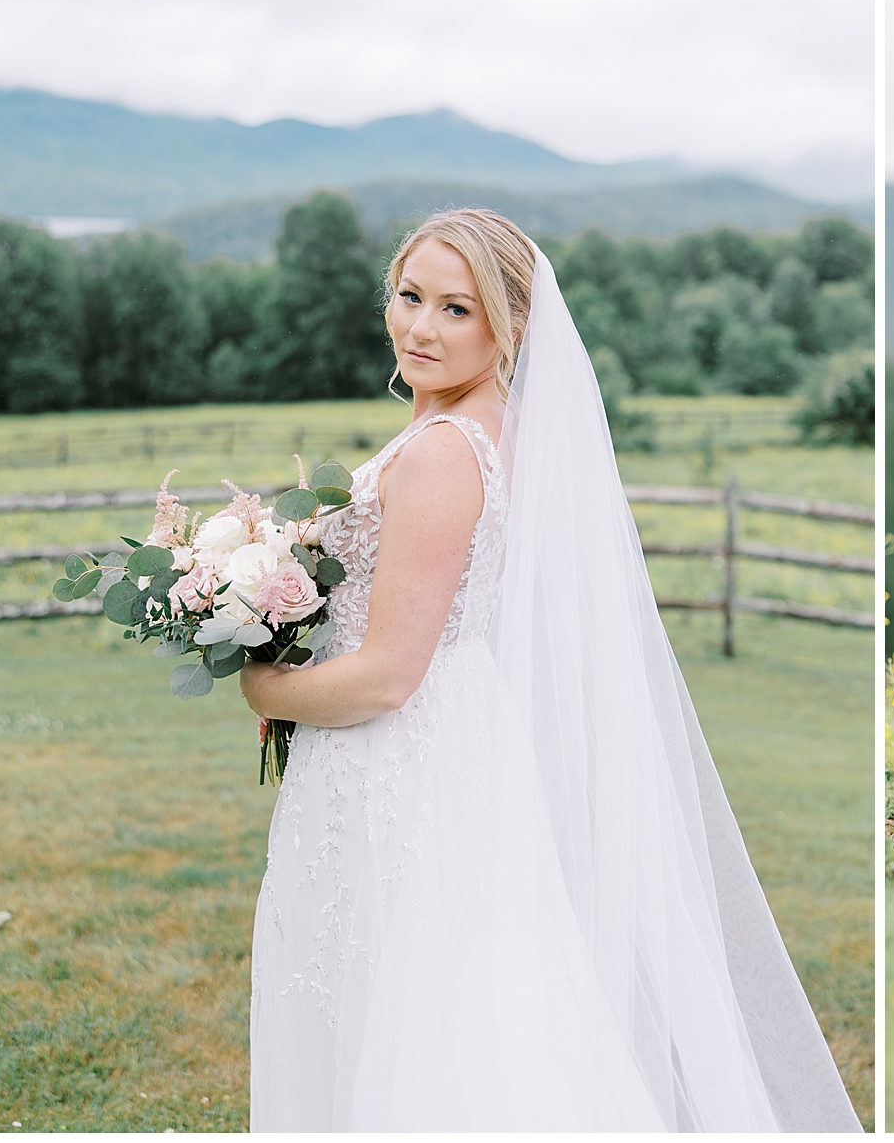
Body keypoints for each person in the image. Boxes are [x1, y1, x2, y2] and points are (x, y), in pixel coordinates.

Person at [239, 208, 860, 1131]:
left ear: (510, 328)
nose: (420, 328)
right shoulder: (495, 428)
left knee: (415, 1011)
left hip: (399, 758)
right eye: (411, 297)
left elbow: (386, 675)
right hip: (459, 737)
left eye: (457, 310)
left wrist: (266, 685)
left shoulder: (444, 454)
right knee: (467, 1001)